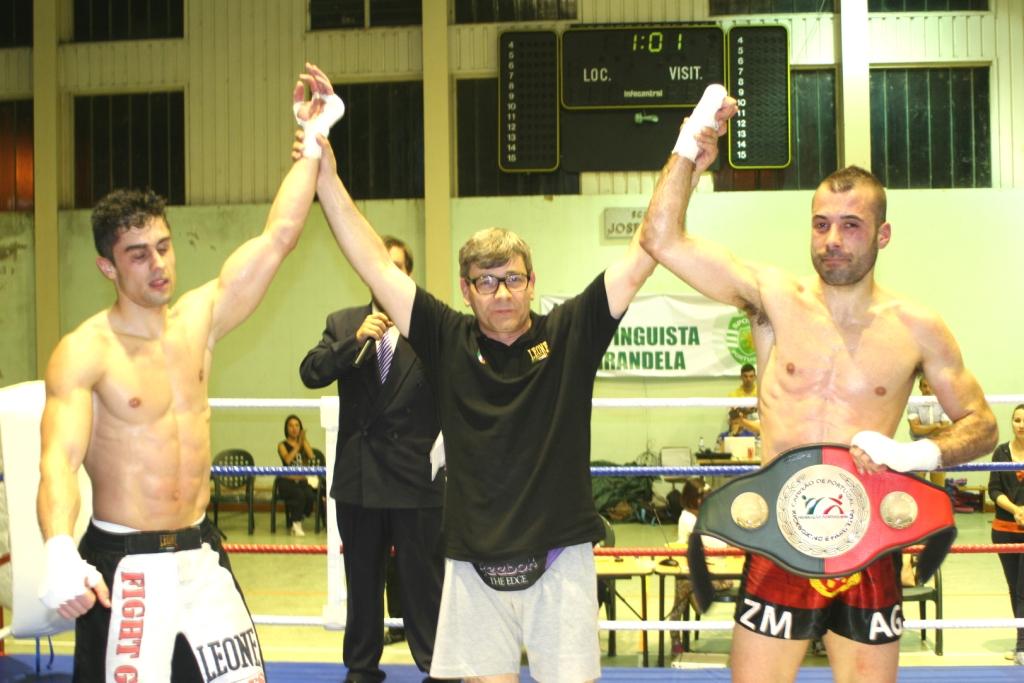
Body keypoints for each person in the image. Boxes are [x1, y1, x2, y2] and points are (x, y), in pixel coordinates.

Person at [296, 66, 735, 683]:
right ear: (466, 289)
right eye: (486, 281)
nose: (501, 293)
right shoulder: (445, 338)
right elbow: (370, 256)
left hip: (560, 563)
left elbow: (647, 248)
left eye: (513, 279)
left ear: (532, 281)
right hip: (473, 569)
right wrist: (326, 165)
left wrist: (689, 149)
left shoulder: (571, 332)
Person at [639, 118, 998, 679]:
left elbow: (981, 424)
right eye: (822, 224)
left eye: (851, 225)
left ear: (882, 235)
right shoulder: (772, 298)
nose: (832, 240)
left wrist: (919, 456)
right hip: (779, 534)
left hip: (869, 538)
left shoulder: (916, 327)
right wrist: (690, 146)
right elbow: (661, 239)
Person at [34, 64, 337, 680]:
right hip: (124, 563)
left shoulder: (200, 318)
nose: (158, 265)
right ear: (107, 268)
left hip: (202, 552)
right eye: (137, 255)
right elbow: (58, 462)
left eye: (164, 247)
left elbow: (278, 236)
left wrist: (313, 140)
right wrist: (60, 547)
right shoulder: (85, 350)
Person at [299, 234, 445, 683]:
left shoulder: (432, 328)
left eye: (398, 267)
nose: (389, 275)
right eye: (380, 265)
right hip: (359, 480)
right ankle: (362, 665)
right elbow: (310, 372)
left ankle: (437, 664)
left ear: (409, 275)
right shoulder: (344, 324)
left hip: (416, 479)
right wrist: (352, 347)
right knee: (362, 579)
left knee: (423, 580)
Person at [667, 479, 733, 659]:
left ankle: (676, 630)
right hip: (702, 574)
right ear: (694, 500)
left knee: (683, 585)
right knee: (684, 582)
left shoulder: (711, 515)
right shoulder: (687, 518)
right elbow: (697, 546)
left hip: (720, 576)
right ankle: (675, 636)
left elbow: (722, 544)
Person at [987, 404, 1024, 665]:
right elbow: (994, 488)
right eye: (1017, 420)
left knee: (1023, 588)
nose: (1021, 425)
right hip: (1004, 530)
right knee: (1015, 588)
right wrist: (1016, 510)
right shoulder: (1001, 451)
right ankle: (1021, 642)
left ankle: (1022, 646)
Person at [277, 414, 319, 536]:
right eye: (291, 426)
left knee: (310, 496)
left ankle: (296, 518)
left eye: (297, 425)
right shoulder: (282, 445)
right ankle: (296, 524)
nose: (294, 428)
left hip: (301, 481)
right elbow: (288, 460)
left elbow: (311, 456)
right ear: (286, 428)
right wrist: (298, 446)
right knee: (299, 495)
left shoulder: (303, 443)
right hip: (287, 481)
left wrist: (303, 441)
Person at [907, 374, 951, 440]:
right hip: (919, 444)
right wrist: (936, 425)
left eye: (931, 386)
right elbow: (915, 430)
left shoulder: (943, 403)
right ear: (920, 387)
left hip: (940, 443)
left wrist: (923, 430)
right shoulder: (913, 404)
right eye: (925, 386)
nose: (927, 389)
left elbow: (945, 428)